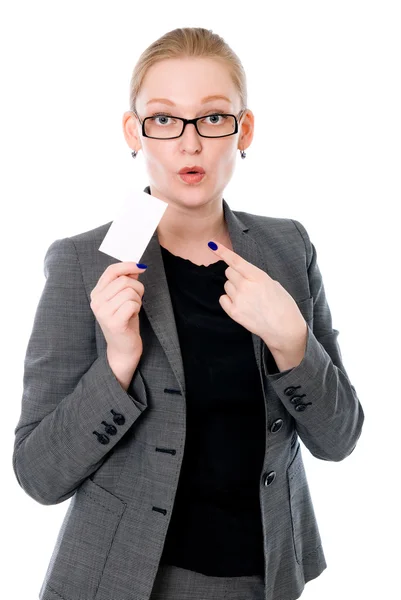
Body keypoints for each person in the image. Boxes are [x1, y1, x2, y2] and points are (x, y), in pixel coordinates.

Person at [12, 27, 364, 600]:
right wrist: (119, 363)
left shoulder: (288, 249)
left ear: (243, 129)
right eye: (164, 119)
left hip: (266, 578)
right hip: (123, 582)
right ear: (135, 132)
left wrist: (293, 343)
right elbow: (39, 475)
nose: (189, 143)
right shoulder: (82, 262)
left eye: (213, 117)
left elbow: (339, 439)